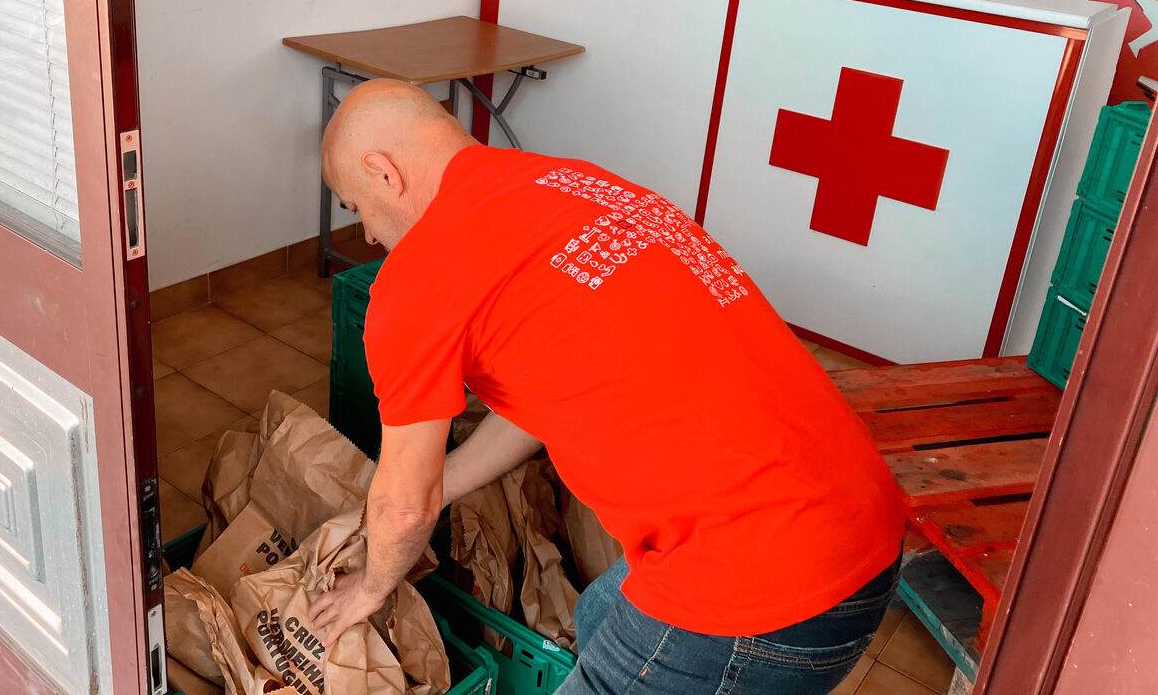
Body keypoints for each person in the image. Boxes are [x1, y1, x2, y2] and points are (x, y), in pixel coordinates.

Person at [308, 78, 904, 694]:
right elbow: (538, 403)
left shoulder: (418, 279)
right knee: (597, 614)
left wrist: (370, 588)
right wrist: (440, 487)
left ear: (384, 173)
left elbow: (404, 508)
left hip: (758, 590)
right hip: (863, 524)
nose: (370, 236)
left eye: (356, 209)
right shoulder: (570, 183)